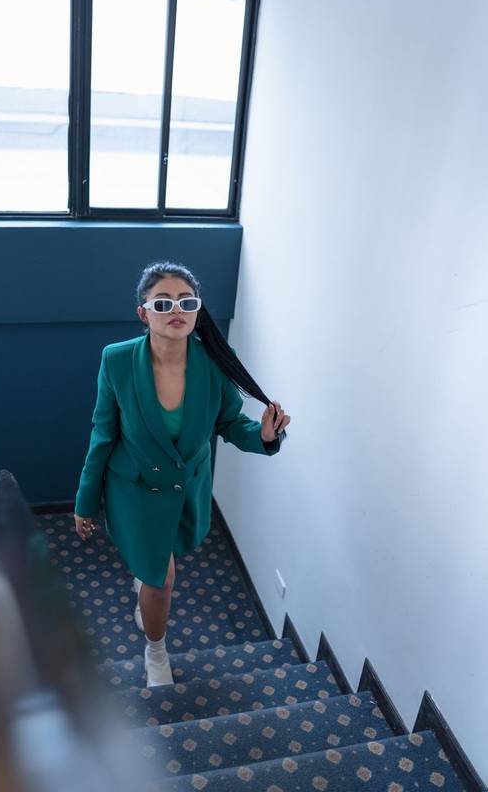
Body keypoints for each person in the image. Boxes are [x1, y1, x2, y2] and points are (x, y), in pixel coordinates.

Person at [73, 261, 291, 687]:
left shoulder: (214, 365)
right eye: (164, 302)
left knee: (156, 569)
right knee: (161, 579)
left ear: (197, 312)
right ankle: (156, 650)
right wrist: (85, 502)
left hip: (185, 491)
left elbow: (231, 424)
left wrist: (263, 435)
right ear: (144, 313)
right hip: (133, 491)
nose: (177, 309)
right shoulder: (117, 361)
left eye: (187, 302)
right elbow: (103, 435)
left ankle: (147, 586)